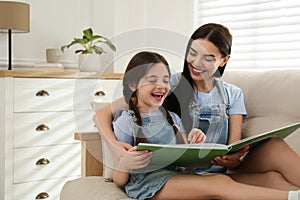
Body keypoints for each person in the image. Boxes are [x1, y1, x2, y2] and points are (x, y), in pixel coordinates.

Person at [94, 24, 300, 199]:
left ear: (224, 60)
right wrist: (118, 150)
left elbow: (232, 147)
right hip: (181, 174)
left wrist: (234, 158)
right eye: (193, 54)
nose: (196, 63)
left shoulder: (232, 94)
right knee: (229, 183)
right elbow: (104, 113)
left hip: (217, 169)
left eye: (208, 58)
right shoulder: (168, 84)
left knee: (274, 148)